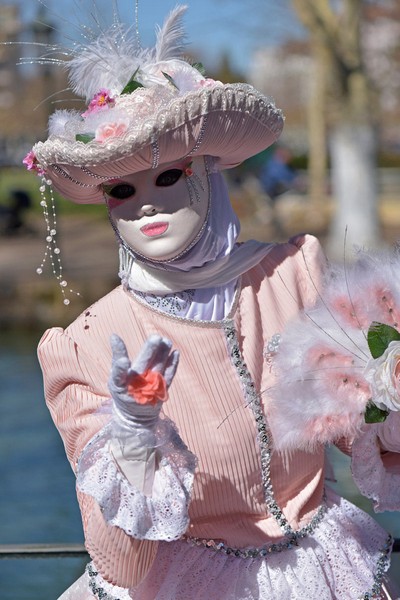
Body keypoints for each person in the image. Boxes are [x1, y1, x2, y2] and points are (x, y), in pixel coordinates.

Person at [24, 6, 400, 599]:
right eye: (122, 189)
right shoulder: (90, 344)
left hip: (325, 569)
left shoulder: (292, 273)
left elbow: (363, 437)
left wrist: (385, 386)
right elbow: (121, 562)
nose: (146, 205)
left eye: (167, 177)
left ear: (207, 173)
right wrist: (133, 434)